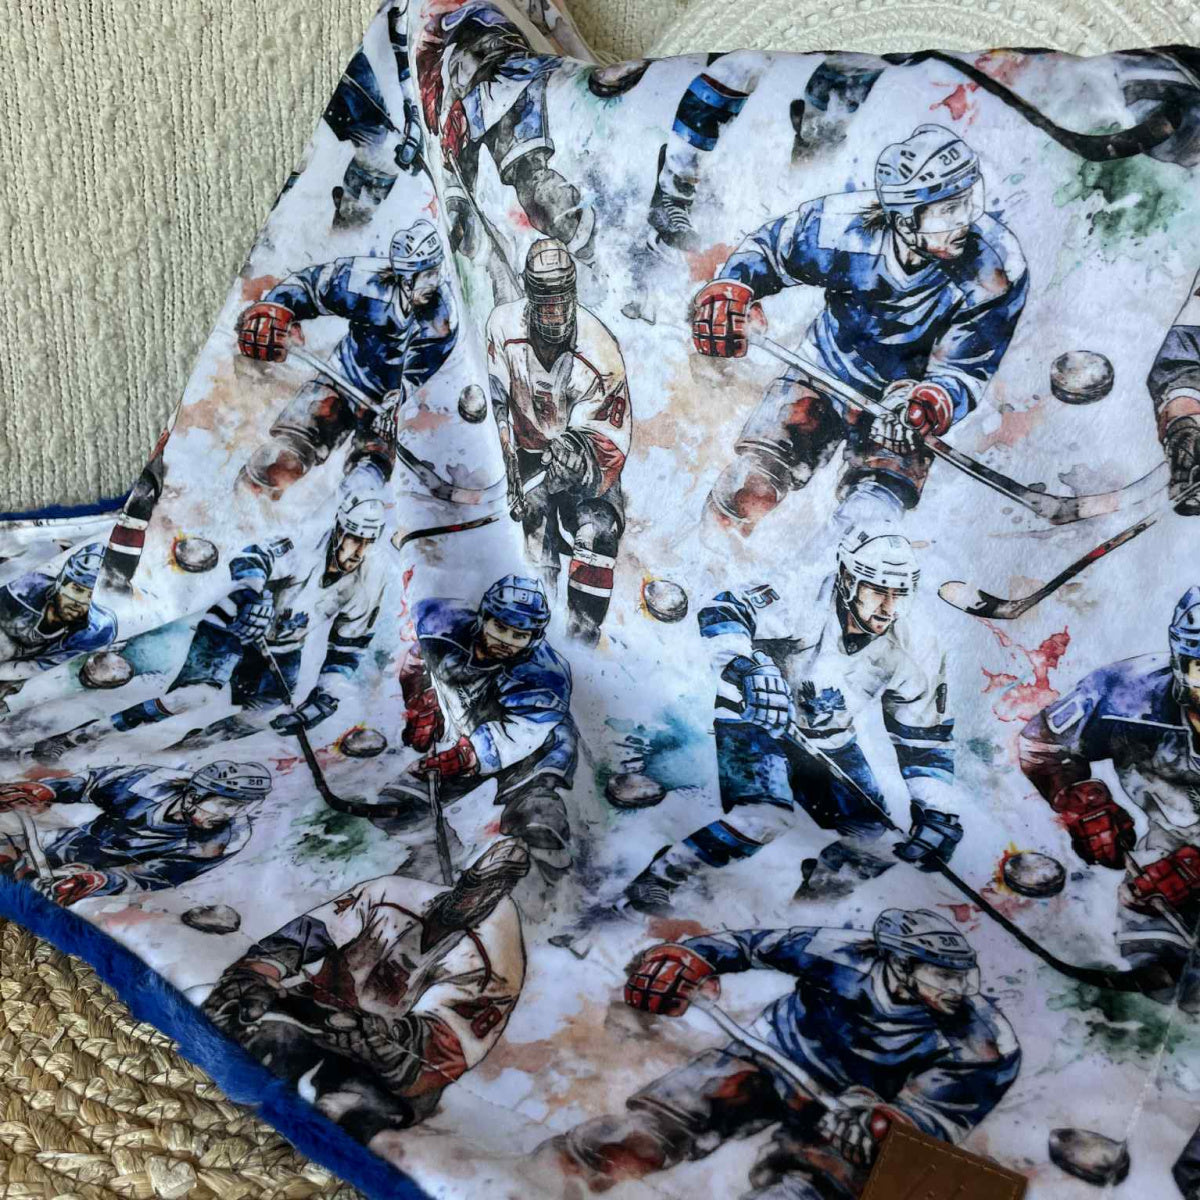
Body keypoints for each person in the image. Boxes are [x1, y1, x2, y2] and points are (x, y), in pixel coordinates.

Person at [532, 908, 1020, 1199]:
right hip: (770, 1058)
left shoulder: (985, 1040)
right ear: (899, 964)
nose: (961, 988)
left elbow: (939, 1116)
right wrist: (694, 957)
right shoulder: (838, 953)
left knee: (811, 1191)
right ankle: (537, 1181)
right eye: (945, 974)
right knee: (649, 1131)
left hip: (851, 1116)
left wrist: (892, 1125)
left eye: (964, 975)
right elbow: (752, 946)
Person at [691, 124, 1027, 537]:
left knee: (871, 520)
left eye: (968, 201)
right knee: (749, 486)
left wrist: (927, 404)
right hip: (824, 371)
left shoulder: (996, 268)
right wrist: (734, 289)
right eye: (948, 209)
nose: (965, 221)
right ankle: (706, 550)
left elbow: (966, 365)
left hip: (906, 405)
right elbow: (772, 251)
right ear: (905, 219)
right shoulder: (839, 227)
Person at [624, 529, 960, 914]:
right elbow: (723, 610)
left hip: (830, 738)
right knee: (763, 818)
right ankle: (663, 876)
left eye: (899, 593)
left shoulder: (918, 645)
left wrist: (936, 810)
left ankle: (811, 903)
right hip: (759, 717)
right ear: (847, 578)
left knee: (876, 841)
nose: (888, 607)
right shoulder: (802, 593)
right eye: (877, 590)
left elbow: (925, 738)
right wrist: (746, 667)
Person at [203, 838, 529, 1151]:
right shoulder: (390, 893)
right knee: (246, 1027)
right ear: (466, 876)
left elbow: (439, 1050)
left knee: (343, 1117)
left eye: (494, 888)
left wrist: (360, 1032)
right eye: (475, 884)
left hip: (385, 1066)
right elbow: (310, 932)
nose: (475, 900)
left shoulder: (495, 962)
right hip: (310, 1008)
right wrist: (258, 973)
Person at [32, 495, 386, 760]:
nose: (358, 551)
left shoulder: (370, 580)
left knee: (262, 718)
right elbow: (253, 557)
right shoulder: (307, 541)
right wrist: (254, 595)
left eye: (368, 542)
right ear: (339, 529)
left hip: (282, 649)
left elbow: (348, 649)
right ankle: (80, 737)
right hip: (231, 628)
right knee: (191, 697)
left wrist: (325, 698)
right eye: (354, 538)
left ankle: (177, 756)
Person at [1019, 585, 1200, 1010]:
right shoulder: (1124, 693)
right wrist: (1077, 799)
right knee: (1155, 972)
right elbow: (1042, 744)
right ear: (1179, 663)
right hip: (1165, 858)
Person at [235, 219, 457, 498]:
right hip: (343, 377)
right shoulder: (363, 281)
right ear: (405, 275)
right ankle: (243, 501)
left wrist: (399, 403)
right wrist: (278, 308)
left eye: (435, 271)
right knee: (285, 455)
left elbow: (422, 374)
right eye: (426, 274)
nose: (434, 281)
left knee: (368, 477)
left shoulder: (442, 319)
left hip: (388, 408)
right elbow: (312, 287)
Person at [387, 575, 578, 884]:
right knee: (399, 802)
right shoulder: (442, 625)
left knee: (536, 814)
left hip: (532, 746)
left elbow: (524, 732)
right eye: (500, 627)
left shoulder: (545, 674)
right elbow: (417, 659)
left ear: (533, 638)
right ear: (483, 618)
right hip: (469, 733)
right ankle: (437, 855)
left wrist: (465, 756)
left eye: (519, 635)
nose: (506, 640)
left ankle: (556, 881)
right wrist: (421, 704)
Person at [486, 239, 631, 644]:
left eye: (560, 301)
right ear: (530, 295)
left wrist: (577, 456)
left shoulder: (602, 351)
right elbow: (497, 399)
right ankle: (538, 640)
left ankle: (582, 637)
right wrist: (509, 465)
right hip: (527, 455)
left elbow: (608, 443)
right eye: (544, 302)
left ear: (573, 294)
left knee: (597, 534)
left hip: (584, 464)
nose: (553, 313)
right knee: (534, 554)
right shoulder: (502, 325)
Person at [415, 1, 594, 265]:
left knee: (537, 189)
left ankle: (596, 256)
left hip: (499, 78)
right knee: (458, 213)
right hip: (455, 95)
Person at [0, 759, 271, 905]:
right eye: (227, 804)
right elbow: (90, 784)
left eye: (244, 807)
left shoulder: (228, 838)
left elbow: (153, 877)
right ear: (194, 795)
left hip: (93, 875)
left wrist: (99, 882)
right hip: (70, 842)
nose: (231, 814)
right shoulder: (149, 782)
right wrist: (45, 790)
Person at [0, 543, 116, 709]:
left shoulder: (96, 629)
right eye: (77, 589)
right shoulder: (24, 591)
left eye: (91, 596)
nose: (79, 602)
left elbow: (39, 667)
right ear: (61, 582)